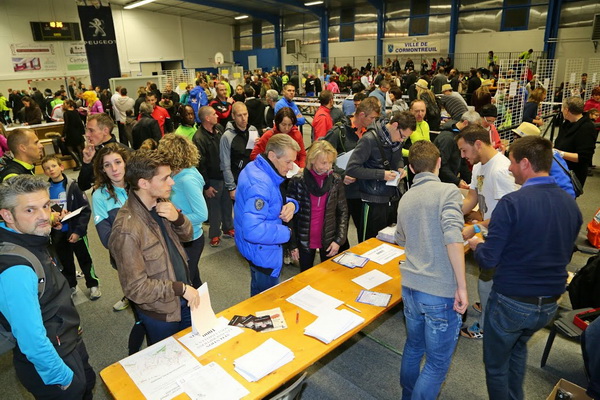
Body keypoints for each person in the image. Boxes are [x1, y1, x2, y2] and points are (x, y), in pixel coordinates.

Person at [467, 135, 582, 400]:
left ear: (526, 163)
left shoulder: (512, 204)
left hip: (512, 301)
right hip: (549, 304)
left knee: (496, 367)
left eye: (513, 162)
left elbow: (488, 260)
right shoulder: (570, 204)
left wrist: (476, 245)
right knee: (517, 351)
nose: (508, 168)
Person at [0, 175, 96, 399]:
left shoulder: (29, 237)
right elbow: (30, 338)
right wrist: (61, 377)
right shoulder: (16, 269)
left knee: (87, 387)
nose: (44, 216)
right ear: (7, 215)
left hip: (67, 342)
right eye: (30, 210)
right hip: (54, 362)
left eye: (45, 206)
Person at [395, 140, 468, 399]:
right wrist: (461, 286)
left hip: (411, 288)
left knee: (414, 346)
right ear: (439, 163)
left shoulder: (405, 198)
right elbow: (452, 236)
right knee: (436, 365)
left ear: (412, 168)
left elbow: (400, 239)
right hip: (438, 290)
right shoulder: (448, 191)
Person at [109, 150, 200, 345]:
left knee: (192, 354)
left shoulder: (161, 202)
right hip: (161, 313)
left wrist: (178, 219)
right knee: (168, 363)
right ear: (144, 183)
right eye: (165, 178)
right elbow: (135, 288)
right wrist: (180, 288)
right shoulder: (127, 229)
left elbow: (188, 236)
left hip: (183, 299)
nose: (172, 182)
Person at [457, 125, 517, 340]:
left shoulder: (501, 170)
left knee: (487, 279)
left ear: (479, 144)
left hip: (503, 234)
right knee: (487, 278)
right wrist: (453, 216)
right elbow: (472, 198)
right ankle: (488, 304)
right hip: (488, 229)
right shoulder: (479, 166)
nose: (463, 156)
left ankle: (484, 326)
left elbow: (506, 215)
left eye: (465, 150)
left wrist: (474, 227)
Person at [234, 134, 300, 296]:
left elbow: (274, 200)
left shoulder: (257, 168)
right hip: (264, 252)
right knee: (266, 300)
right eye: (288, 161)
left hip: (256, 250)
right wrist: (287, 233)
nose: (292, 167)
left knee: (257, 293)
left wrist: (292, 204)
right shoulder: (260, 184)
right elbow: (252, 230)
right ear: (272, 156)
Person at [346, 110, 416, 242]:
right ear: (395, 125)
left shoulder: (396, 141)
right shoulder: (369, 139)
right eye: (402, 136)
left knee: (388, 242)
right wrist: (381, 174)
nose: (402, 140)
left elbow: (398, 157)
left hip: (391, 198)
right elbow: (352, 169)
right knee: (369, 243)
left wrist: (400, 167)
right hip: (372, 201)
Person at [41, 155, 100, 299]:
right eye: (47, 168)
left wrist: (79, 231)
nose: (51, 170)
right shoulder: (45, 190)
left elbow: (85, 210)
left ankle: (93, 284)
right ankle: (71, 285)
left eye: (54, 166)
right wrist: (57, 215)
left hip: (75, 231)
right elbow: (50, 207)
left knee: (84, 259)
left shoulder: (73, 186)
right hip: (58, 233)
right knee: (65, 261)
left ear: (61, 167)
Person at [288, 141, 348, 271]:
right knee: (305, 277)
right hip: (304, 240)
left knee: (328, 278)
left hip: (329, 239)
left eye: (331, 163)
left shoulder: (336, 181)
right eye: (323, 163)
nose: (328, 167)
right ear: (312, 160)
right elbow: (289, 217)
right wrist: (292, 245)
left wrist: (339, 240)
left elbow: (342, 212)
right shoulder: (297, 181)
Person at [158, 134, 208, 288]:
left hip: (191, 239)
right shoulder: (177, 173)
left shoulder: (187, 180)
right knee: (194, 278)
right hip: (182, 236)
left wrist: (175, 217)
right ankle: (203, 310)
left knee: (186, 282)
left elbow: (202, 214)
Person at [91, 144, 132, 314]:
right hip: (125, 257)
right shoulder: (99, 195)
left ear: (126, 163)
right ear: (103, 169)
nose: (114, 169)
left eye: (118, 162)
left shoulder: (140, 184)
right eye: (107, 165)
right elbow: (107, 238)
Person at [193, 106, 233, 248]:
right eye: (214, 114)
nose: (217, 115)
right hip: (212, 179)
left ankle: (228, 227)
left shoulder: (220, 130)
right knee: (214, 208)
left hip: (225, 175)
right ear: (207, 118)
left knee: (227, 204)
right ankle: (215, 234)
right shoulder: (199, 138)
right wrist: (206, 186)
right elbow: (200, 164)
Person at [78, 113, 130, 191]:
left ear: (105, 131)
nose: (87, 134)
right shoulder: (93, 152)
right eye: (87, 130)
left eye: (91, 130)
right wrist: (86, 162)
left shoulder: (125, 152)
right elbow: (83, 186)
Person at [554, 96, 597, 187]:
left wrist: (558, 153)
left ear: (566, 110)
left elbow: (584, 157)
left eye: (562, 108)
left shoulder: (587, 128)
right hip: (559, 170)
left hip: (571, 175)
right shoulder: (567, 123)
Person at [220, 102, 259, 200]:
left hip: (253, 179)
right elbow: (225, 164)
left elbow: (258, 157)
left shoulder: (253, 130)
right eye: (239, 115)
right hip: (237, 180)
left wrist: (259, 146)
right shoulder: (227, 136)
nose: (243, 118)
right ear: (233, 116)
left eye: (245, 114)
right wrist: (231, 187)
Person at [433, 110, 481, 188]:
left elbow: (462, 163)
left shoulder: (459, 136)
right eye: (473, 128)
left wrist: (471, 182)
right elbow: (441, 165)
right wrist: (457, 181)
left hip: (450, 181)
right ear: (465, 123)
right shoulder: (447, 138)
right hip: (441, 184)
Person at [61, 99, 85, 170]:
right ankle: (82, 163)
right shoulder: (76, 112)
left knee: (70, 148)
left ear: (68, 105)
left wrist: (63, 134)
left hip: (70, 132)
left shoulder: (66, 113)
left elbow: (66, 125)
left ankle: (78, 163)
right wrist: (82, 132)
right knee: (79, 148)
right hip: (78, 132)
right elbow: (80, 122)